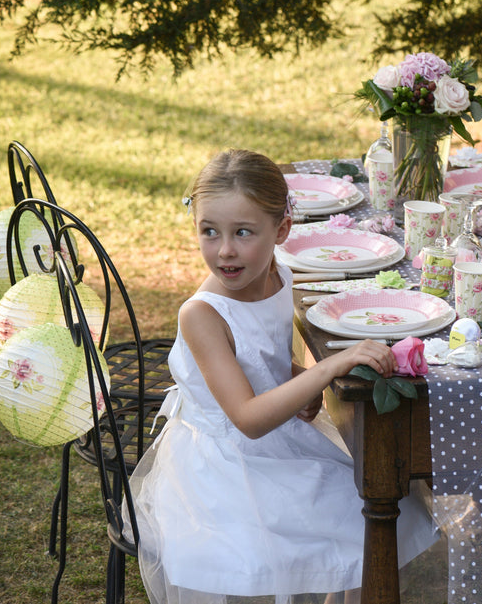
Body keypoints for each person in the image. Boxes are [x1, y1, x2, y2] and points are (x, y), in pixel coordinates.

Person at [129, 149, 438, 604]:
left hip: (277, 436)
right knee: (369, 517)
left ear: (282, 231)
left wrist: (293, 376)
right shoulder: (202, 314)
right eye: (209, 232)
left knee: (388, 507)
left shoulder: (278, 275)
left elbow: (257, 356)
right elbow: (249, 419)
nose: (225, 250)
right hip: (227, 464)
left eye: (243, 233)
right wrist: (327, 368)